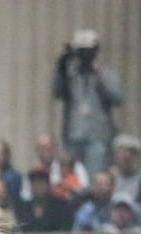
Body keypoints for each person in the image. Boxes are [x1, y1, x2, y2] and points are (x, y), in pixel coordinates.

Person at [52, 29, 121, 173]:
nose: (85, 56)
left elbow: (117, 97)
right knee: (72, 177)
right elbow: (57, 92)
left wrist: (99, 74)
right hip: (73, 136)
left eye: (88, 51)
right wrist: (61, 67)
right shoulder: (70, 75)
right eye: (81, 52)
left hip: (97, 136)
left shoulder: (105, 73)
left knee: (93, 175)